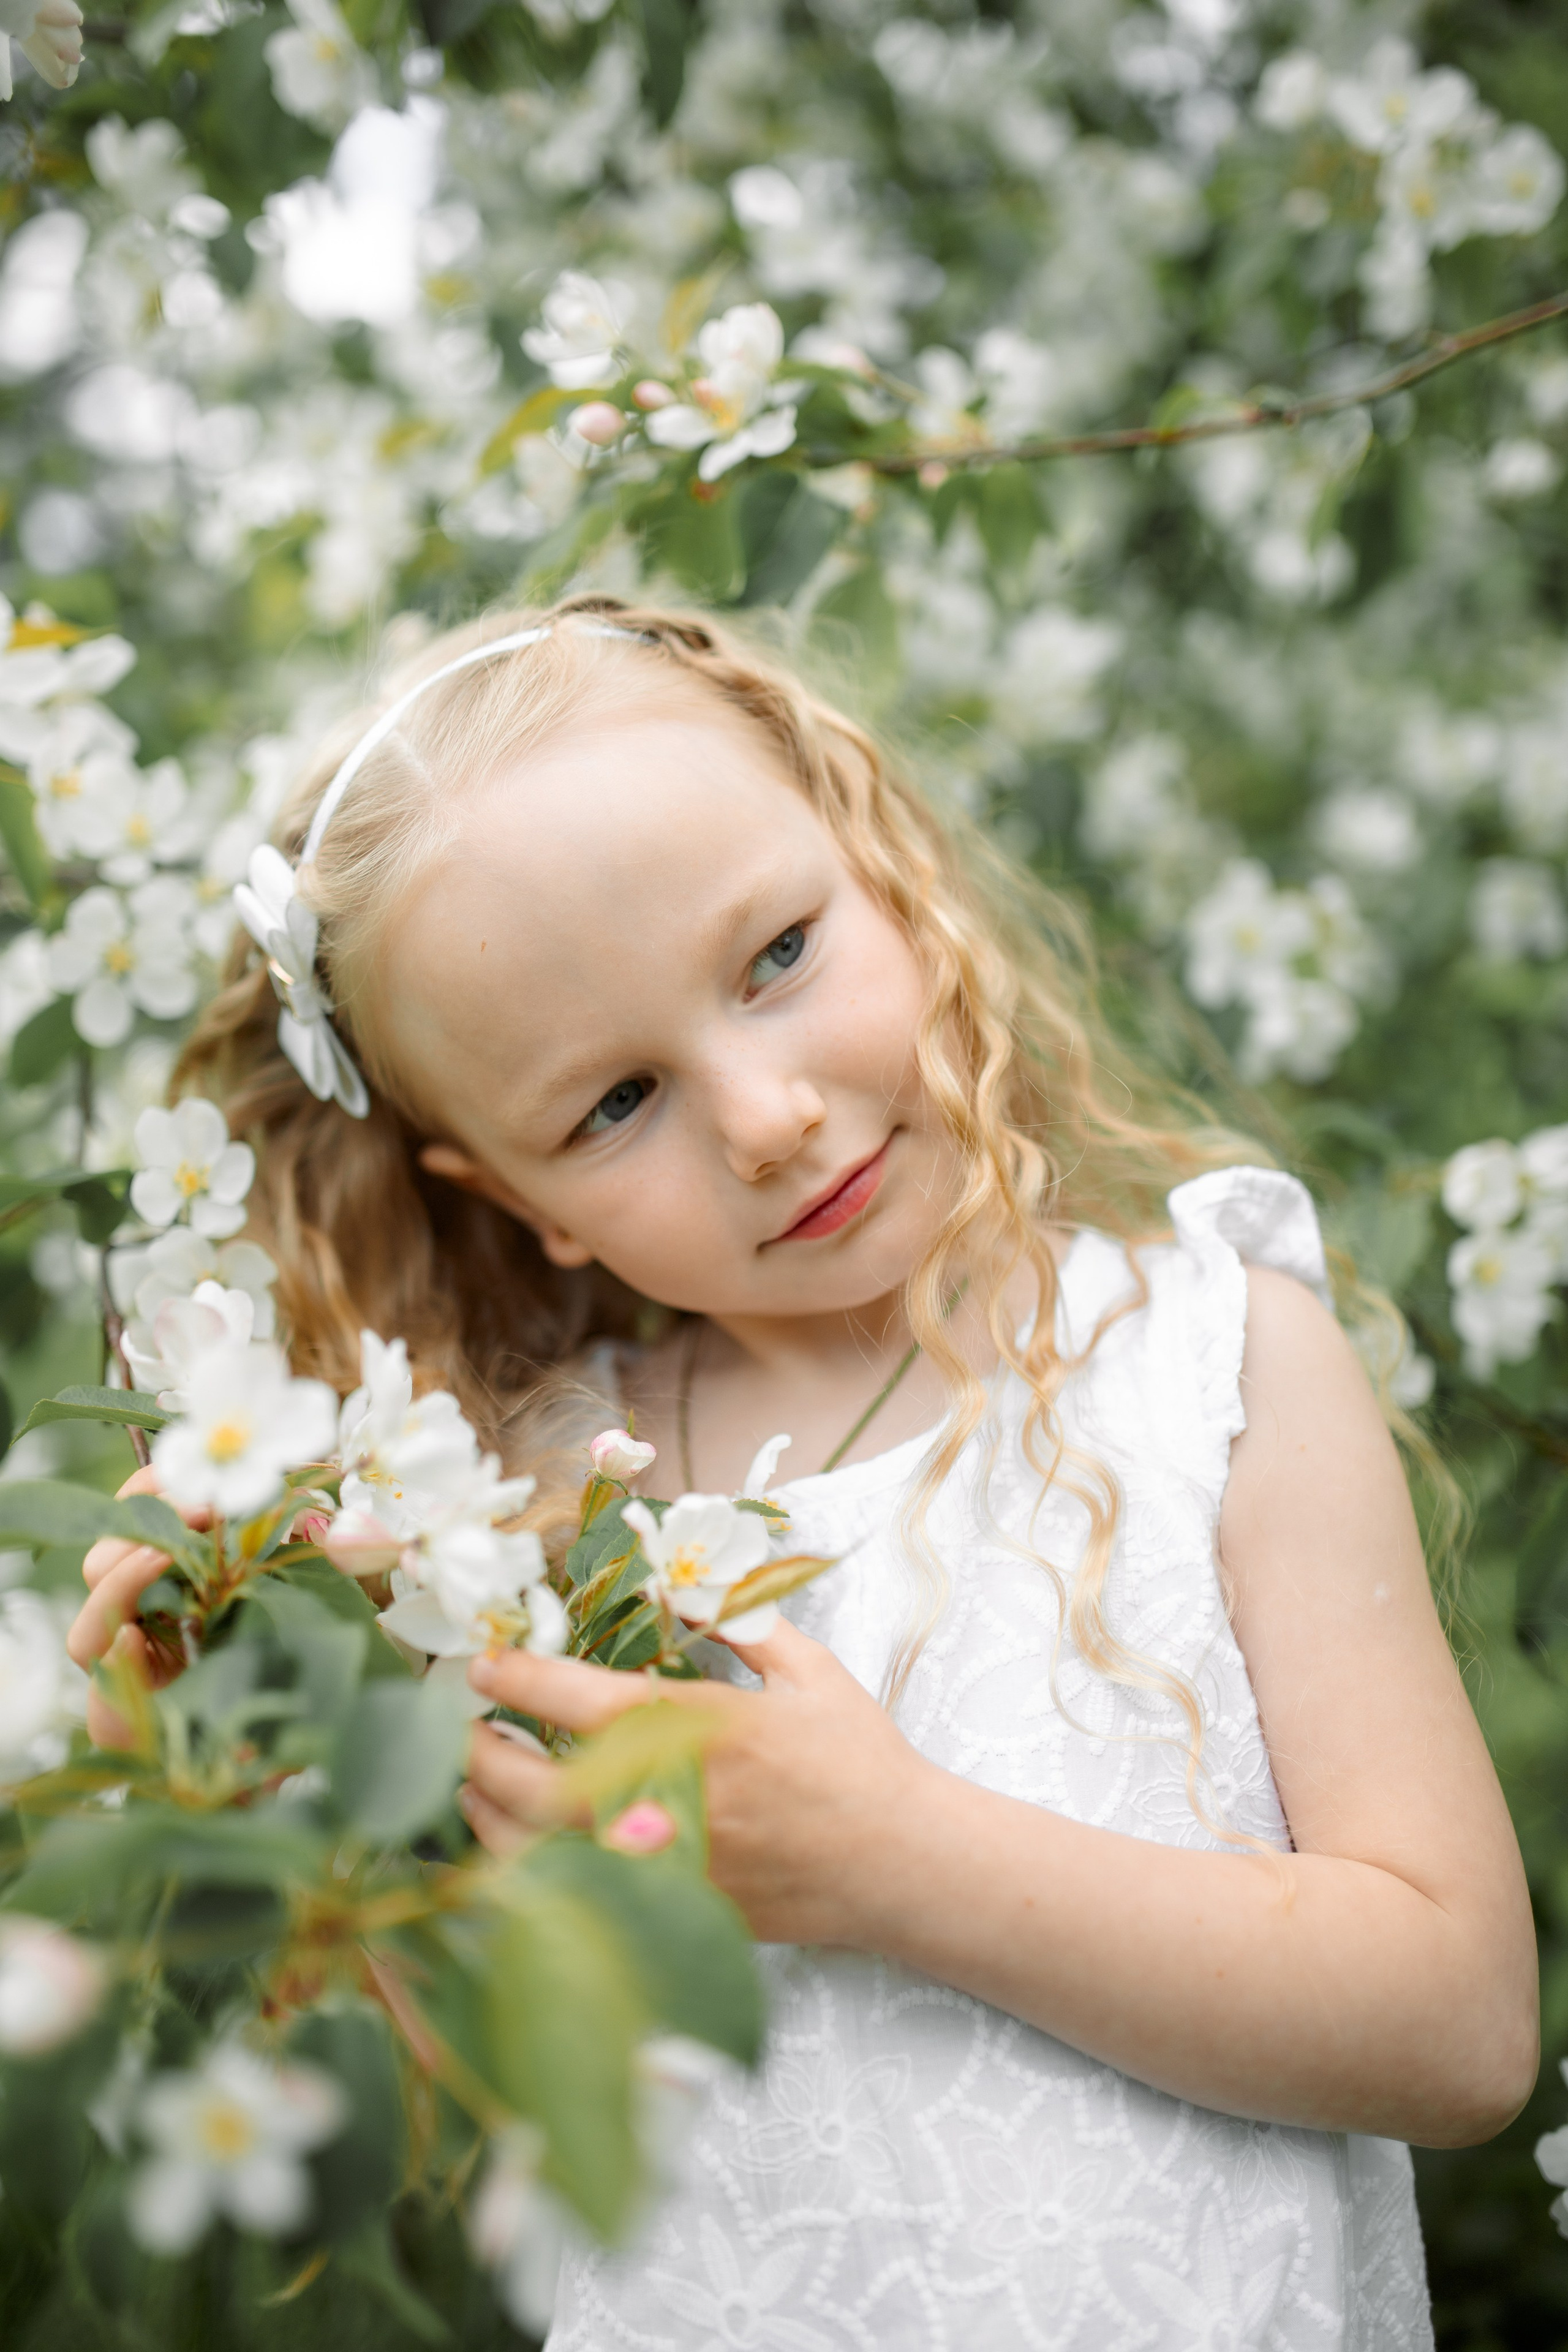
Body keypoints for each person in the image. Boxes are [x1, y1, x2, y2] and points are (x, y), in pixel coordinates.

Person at [72, 597, 1536, 2349]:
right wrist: (220, 1778)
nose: (765, 1117)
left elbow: (1458, 2030)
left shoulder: (1209, 1362)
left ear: (885, 863)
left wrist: (898, 1861)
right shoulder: (515, 1535)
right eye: (615, 1104)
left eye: (776, 956)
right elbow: (473, 2101)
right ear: (513, 1197)